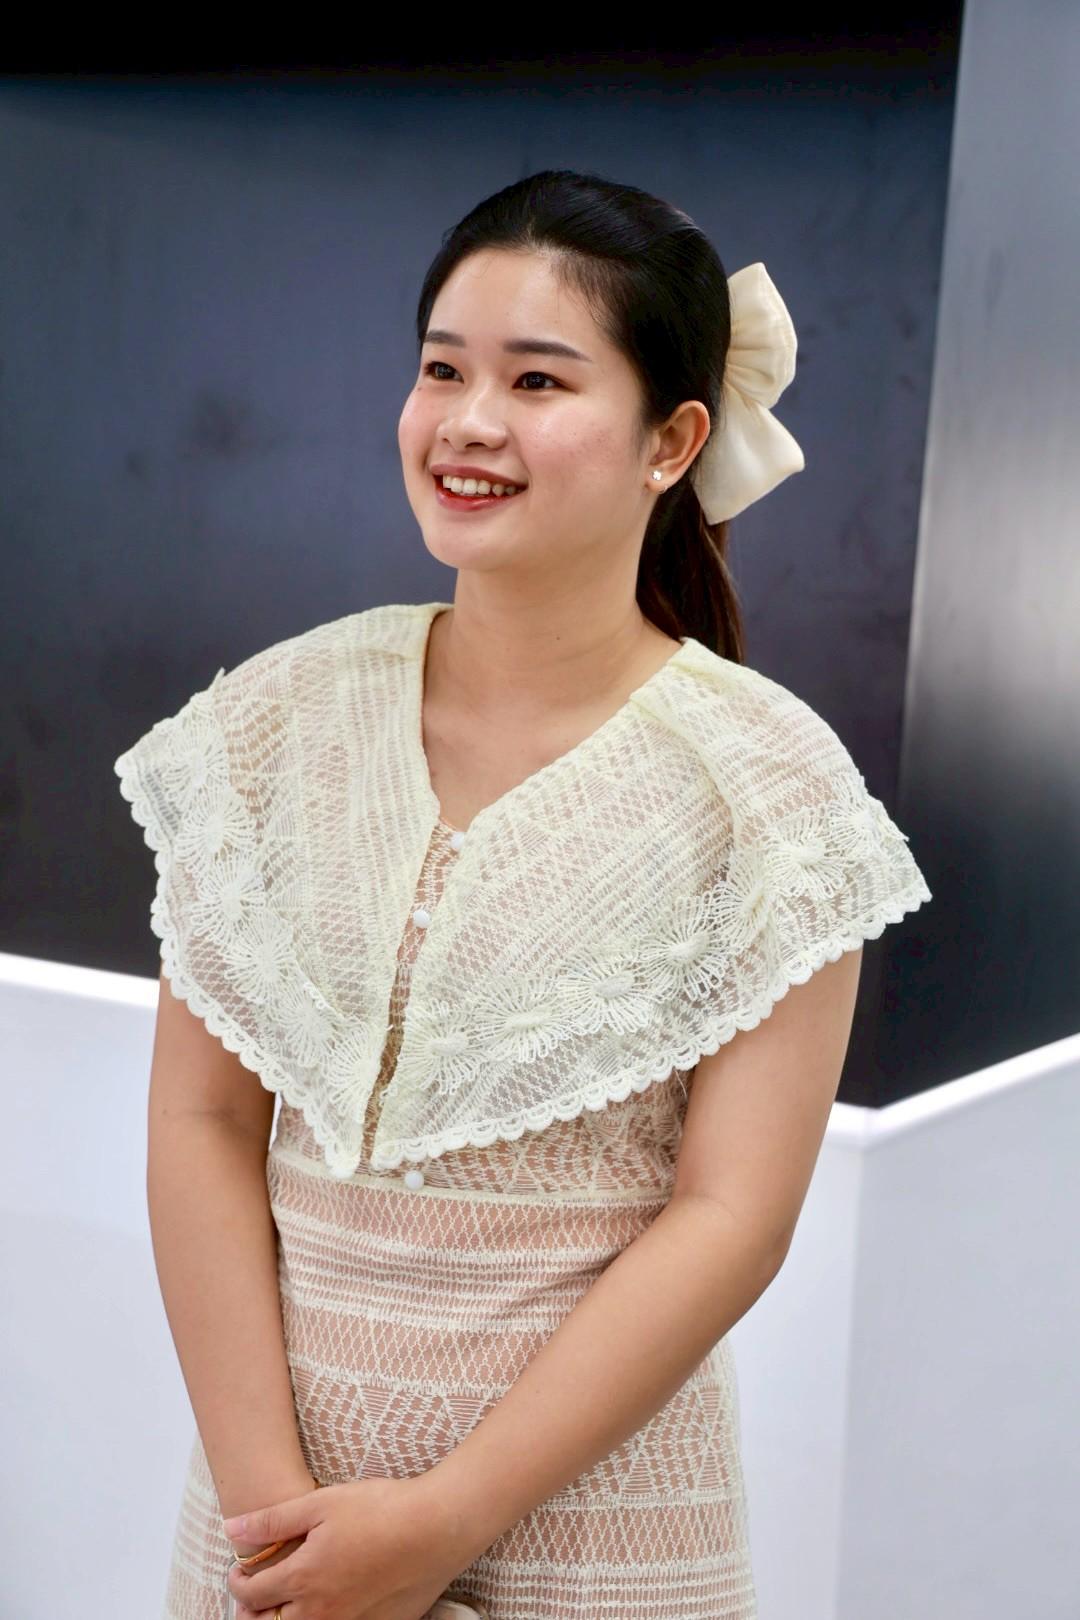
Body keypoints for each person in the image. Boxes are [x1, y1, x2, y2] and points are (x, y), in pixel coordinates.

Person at [114, 168, 932, 1620]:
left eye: (538, 379)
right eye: (444, 369)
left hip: (594, 1546)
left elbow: (731, 1217)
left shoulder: (770, 788)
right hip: (266, 1541)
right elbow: (202, 1122)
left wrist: (442, 1523)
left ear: (673, 441)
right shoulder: (273, 722)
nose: (469, 421)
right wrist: (273, 1529)